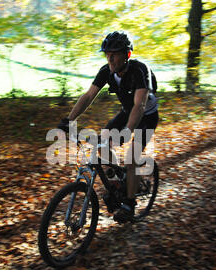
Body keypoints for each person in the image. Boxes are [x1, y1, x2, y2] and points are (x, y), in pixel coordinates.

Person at [58, 30, 158, 223]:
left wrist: (128, 131)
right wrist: (69, 120)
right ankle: (116, 185)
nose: (110, 58)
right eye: (107, 54)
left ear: (127, 55)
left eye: (115, 54)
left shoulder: (139, 70)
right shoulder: (107, 71)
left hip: (146, 116)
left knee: (131, 157)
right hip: (126, 112)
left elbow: (140, 105)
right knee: (102, 146)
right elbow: (88, 96)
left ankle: (129, 204)